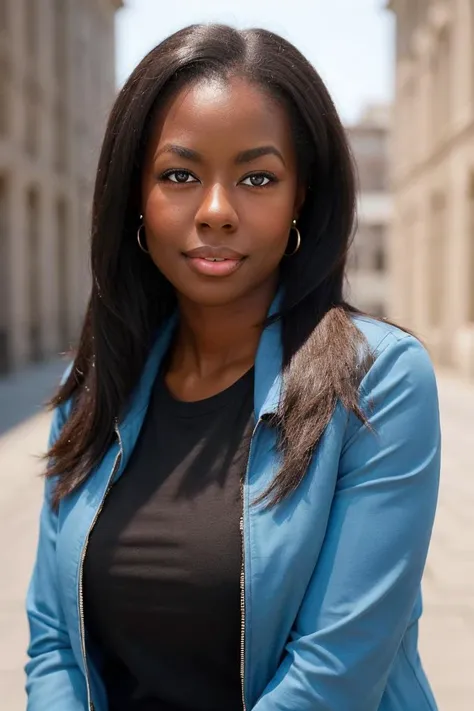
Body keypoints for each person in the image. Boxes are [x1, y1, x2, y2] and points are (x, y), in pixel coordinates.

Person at [24, 23, 441, 711]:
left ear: (301, 195)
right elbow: (54, 641)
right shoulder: (98, 388)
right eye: (180, 175)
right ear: (136, 195)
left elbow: (334, 675)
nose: (216, 211)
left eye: (257, 177)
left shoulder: (381, 383)